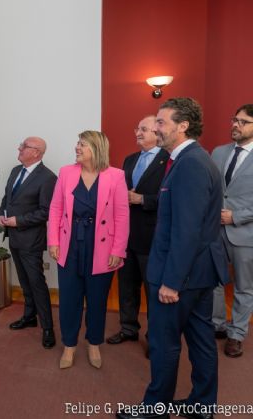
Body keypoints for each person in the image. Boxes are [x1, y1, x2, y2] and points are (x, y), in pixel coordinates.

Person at [116, 98, 228, 419]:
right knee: (201, 339)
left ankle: (155, 409)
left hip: (181, 275)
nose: (156, 129)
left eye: (162, 123)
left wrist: (171, 281)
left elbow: (186, 231)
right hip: (197, 273)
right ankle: (202, 405)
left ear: (183, 126)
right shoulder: (189, 159)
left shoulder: (190, 163)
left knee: (165, 343)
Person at [47, 130, 129, 369]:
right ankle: (69, 346)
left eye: (82, 144)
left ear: (96, 148)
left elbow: (122, 216)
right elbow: (54, 209)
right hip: (70, 242)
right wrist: (53, 241)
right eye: (77, 144)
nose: (77, 148)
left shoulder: (116, 176)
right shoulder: (66, 173)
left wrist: (118, 250)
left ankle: (94, 343)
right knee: (69, 298)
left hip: (102, 245)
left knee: (96, 299)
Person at [107, 116, 169, 347]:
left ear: (157, 131)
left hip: (152, 236)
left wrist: (142, 199)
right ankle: (128, 328)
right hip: (126, 236)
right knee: (126, 286)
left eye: (143, 129)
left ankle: (155, 339)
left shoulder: (169, 160)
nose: (138, 133)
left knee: (152, 292)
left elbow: (172, 198)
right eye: (137, 128)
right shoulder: (130, 159)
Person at [0, 137, 57, 349]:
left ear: (37, 153)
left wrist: (18, 221)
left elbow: (46, 212)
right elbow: (7, 198)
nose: (19, 148)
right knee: (24, 281)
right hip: (13, 237)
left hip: (31, 240)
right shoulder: (15, 171)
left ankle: (48, 328)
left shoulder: (48, 178)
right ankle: (29, 316)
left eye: (24, 146)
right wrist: (1, 215)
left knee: (37, 283)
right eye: (21, 145)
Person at [212, 104, 253, 358]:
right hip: (214, 231)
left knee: (244, 287)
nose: (235, 125)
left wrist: (236, 216)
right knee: (213, 281)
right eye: (234, 119)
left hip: (245, 234)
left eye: (243, 121)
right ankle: (216, 325)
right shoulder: (218, 152)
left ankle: (236, 334)